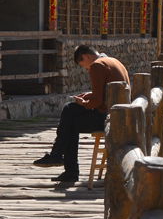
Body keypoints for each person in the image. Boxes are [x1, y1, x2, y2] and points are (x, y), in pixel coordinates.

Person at [33, 45, 130, 183]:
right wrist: (89, 95)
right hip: (119, 114)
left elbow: (97, 102)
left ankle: (62, 162)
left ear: (85, 56)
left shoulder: (97, 65)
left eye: (83, 65)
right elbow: (105, 92)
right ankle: (60, 159)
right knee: (70, 116)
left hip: (107, 117)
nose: (86, 69)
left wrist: (83, 103)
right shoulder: (113, 61)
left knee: (69, 113)